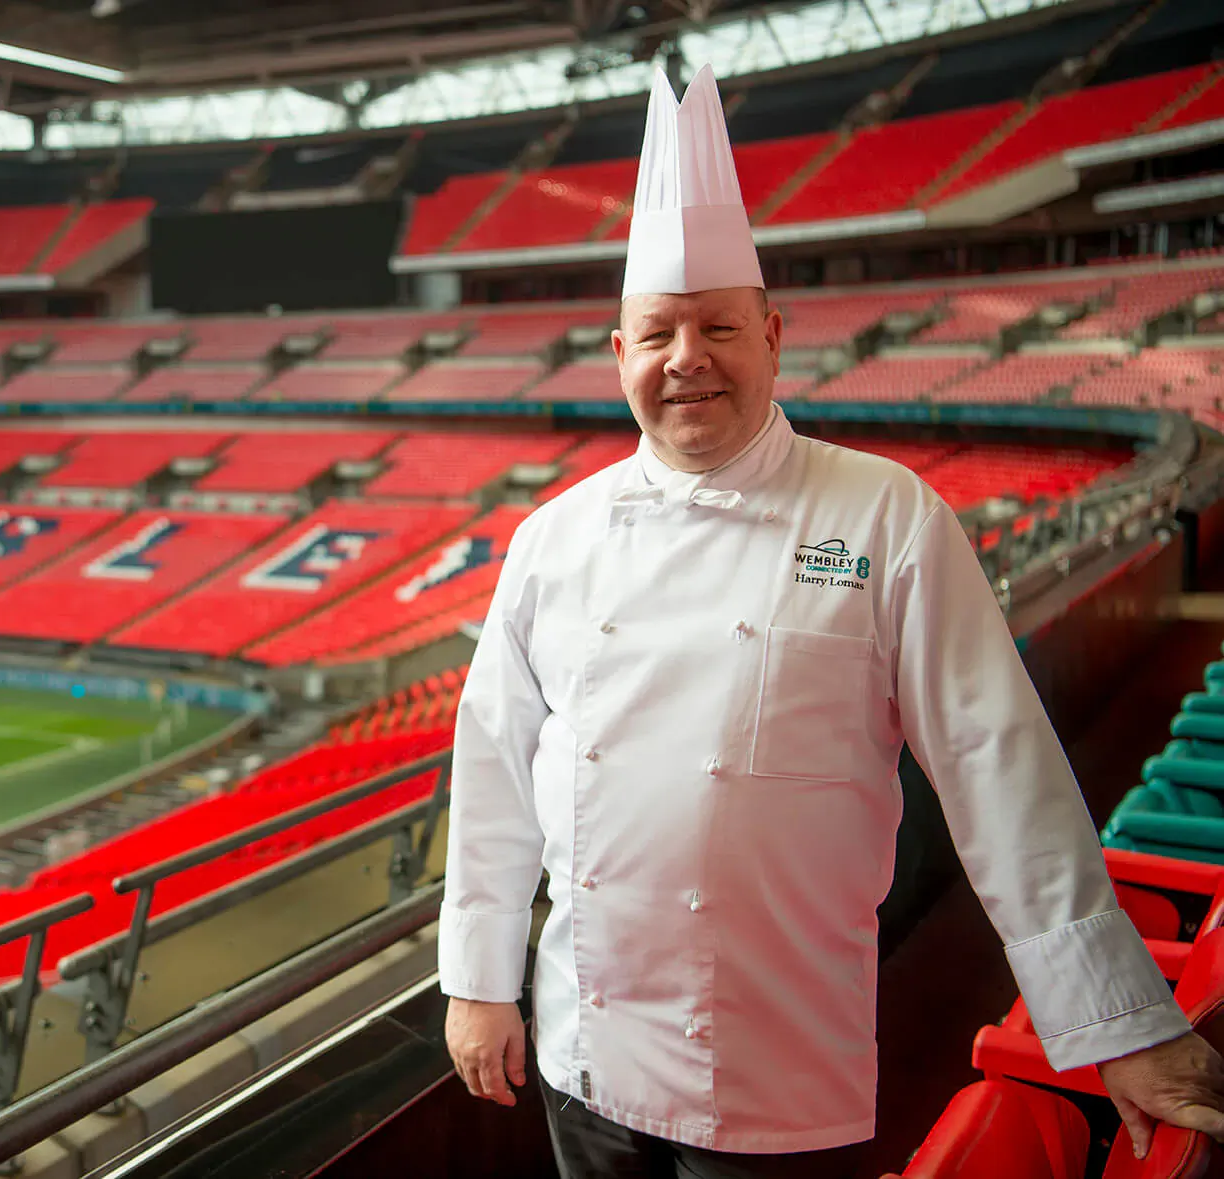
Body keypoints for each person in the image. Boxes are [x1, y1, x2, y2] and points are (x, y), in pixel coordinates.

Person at [437, 62, 1224, 1179]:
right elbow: (495, 767)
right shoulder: (552, 538)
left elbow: (997, 768)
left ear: (770, 335)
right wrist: (477, 981)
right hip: (583, 1047)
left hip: (773, 1069)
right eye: (655, 333)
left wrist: (1117, 1022)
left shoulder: (885, 515)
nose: (685, 360)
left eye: (715, 327)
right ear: (618, 357)